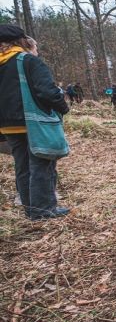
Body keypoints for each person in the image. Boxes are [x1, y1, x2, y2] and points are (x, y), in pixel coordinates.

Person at [0, 25, 70, 220]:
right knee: (42, 163)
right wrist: (63, 107)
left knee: (22, 166)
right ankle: (44, 210)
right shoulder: (28, 61)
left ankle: (30, 208)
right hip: (33, 122)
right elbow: (47, 91)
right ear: (21, 41)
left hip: (7, 126)